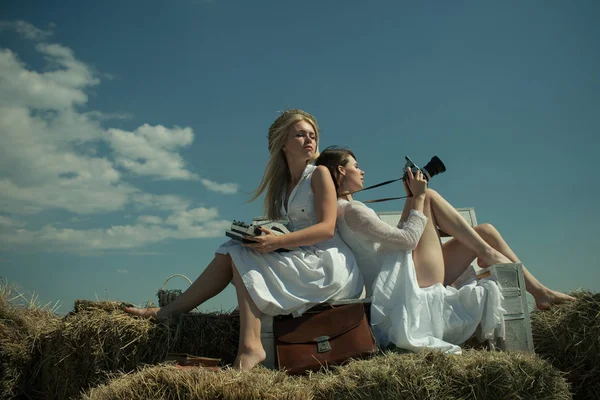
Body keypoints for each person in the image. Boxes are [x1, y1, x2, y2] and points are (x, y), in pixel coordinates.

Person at [126, 111, 363, 370]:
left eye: (313, 135)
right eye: (300, 134)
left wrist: (276, 243)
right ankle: (173, 314)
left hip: (327, 264)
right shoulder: (285, 185)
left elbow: (327, 229)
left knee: (242, 254)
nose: (309, 139)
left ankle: (247, 345)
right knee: (233, 248)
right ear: (283, 143)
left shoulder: (318, 174)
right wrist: (271, 237)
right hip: (305, 255)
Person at [315, 146, 575, 353]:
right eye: (356, 166)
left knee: (485, 230)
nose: (362, 171)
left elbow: (400, 237)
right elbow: (406, 240)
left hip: (405, 274)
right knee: (429, 196)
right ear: (340, 170)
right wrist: (417, 196)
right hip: (403, 286)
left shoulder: (347, 210)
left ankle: (540, 292)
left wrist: (411, 197)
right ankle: (491, 256)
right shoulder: (351, 210)